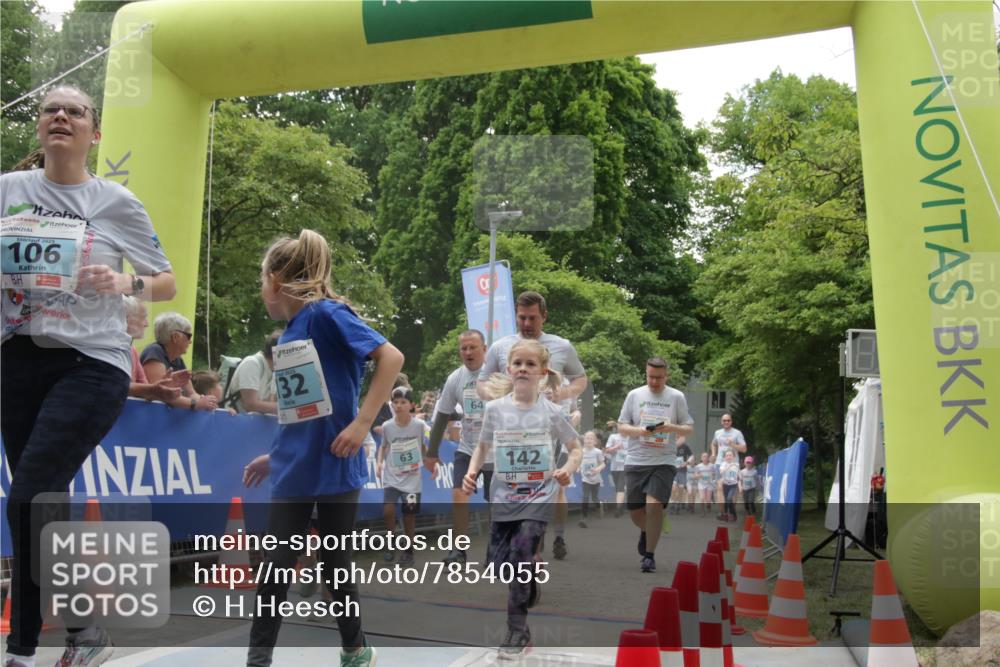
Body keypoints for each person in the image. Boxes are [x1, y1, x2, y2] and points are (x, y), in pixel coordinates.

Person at [1, 84, 175, 667]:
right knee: (41, 504)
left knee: (27, 497)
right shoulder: (8, 192)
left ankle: (21, 651)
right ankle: (82, 631)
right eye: (50, 108)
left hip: (92, 362)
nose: (60, 116)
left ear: (93, 134)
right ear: (40, 128)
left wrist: (125, 284)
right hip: (18, 357)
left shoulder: (116, 202)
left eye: (74, 111)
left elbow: (165, 281)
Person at [243, 229, 403, 667]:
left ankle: (355, 648)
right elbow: (303, 407)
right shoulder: (290, 331)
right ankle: (258, 660)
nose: (261, 290)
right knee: (276, 567)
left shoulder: (327, 313)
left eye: (261, 280)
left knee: (335, 562)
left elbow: (391, 357)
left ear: (275, 280)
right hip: (295, 463)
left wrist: (363, 423)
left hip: (336, 459)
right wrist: (275, 456)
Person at [462, 339, 581, 660]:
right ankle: (527, 586)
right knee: (503, 568)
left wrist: (567, 469)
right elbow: (483, 447)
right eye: (518, 364)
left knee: (520, 556)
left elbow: (576, 447)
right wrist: (472, 471)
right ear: (508, 369)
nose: (524, 369)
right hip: (503, 498)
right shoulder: (494, 410)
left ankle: (517, 630)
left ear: (542, 372)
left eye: (531, 364)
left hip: (539, 497)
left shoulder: (552, 412)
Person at [478, 291, 588, 560]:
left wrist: (562, 394)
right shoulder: (501, 346)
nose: (526, 324)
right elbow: (481, 384)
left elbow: (581, 380)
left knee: (537, 486)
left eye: (532, 318)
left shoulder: (561, 345)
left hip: (545, 425)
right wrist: (499, 397)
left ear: (544, 316)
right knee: (507, 486)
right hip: (508, 426)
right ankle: (511, 546)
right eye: (521, 318)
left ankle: (532, 552)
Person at [616, 357, 694, 573]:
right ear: (646, 373)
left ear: (666, 376)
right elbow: (622, 427)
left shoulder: (676, 397)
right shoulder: (635, 395)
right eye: (651, 377)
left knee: (654, 506)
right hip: (636, 460)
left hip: (664, 461)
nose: (654, 382)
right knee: (635, 513)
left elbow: (688, 429)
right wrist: (640, 431)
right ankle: (647, 530)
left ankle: (649, 557)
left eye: (659, 378)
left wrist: (671, 427)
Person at [425, 329, 489, 565]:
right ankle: (458, 551)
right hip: (468, 447)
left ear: (484, 348)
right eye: (464, 348)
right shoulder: (455, 378)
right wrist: (431, 454)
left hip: (495, 450)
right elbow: (441, 416)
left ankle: (496, 549)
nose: (468, 352)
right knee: (458, 494)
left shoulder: (499, 374)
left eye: (473, 347)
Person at [376, 387, 426, 566]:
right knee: (388, 510)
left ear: (411, 405)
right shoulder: (387, 426)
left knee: (409, 515)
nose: (398, 405)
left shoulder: (419, 426)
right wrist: (379, 463)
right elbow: (383, 446)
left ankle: (408, 550)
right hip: (392, 476)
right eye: (395, 402)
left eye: (403, 402)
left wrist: (431, 461)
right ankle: (390, 540)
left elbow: (423, 446)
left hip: (412, 480)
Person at [141, 312, 218, 412]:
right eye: (188, 336)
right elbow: (160, 394)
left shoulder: (177, 359)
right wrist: (195, 404)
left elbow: (191, 393)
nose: (190, 341)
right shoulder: (154, 352)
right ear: (175, 337)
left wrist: (206, 401)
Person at [122, 296, 188, 403]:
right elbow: (116, 385)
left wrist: (159, 388)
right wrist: (155, 389)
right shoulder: (106, 348)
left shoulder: (132, 350)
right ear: (126, 318)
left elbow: (146, 390)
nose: (147, 324)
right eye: (143, 317)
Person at [225, 329, 282, 414]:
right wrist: (286, 409)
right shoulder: (252, 363)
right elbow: (250, 405)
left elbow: (268, 404)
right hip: (235, 422)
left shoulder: (274, 371)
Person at [578, 430, 605, 528]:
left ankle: (599, 506)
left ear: (595, 441)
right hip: (585, 478)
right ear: (584, 440)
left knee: (594, 498)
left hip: (596, 479)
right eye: (587, 438)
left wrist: (598, 469)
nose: (588, 440)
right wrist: (578, 468)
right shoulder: (581, 451)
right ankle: (584, 518)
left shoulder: (598, 452)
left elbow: (603, 464)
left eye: (591, 438)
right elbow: (579, 462)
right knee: (585, 497)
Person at [604, 423, 627, 517]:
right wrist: (616, 447)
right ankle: (621, 506)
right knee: (618, 487)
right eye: (620, 426)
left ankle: (618, 509)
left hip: (626, 466)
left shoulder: (631, 438)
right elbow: (607, 450)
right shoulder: (613, 437)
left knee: (621, 486)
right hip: (614, 466)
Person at [718, 449, 740, 522]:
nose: (728, 457)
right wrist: (729, 466)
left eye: (730, 455)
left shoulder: (737, 465)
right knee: (727, 500)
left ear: (733, 457)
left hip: (733, 484)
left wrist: (740, 486)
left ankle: (730, 514)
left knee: (729, 498)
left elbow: (738, 476)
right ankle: (730, 515)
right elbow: (721, 472)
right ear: (724, 457)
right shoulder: (723, 464)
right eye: (727, 455)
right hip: (725, 485)